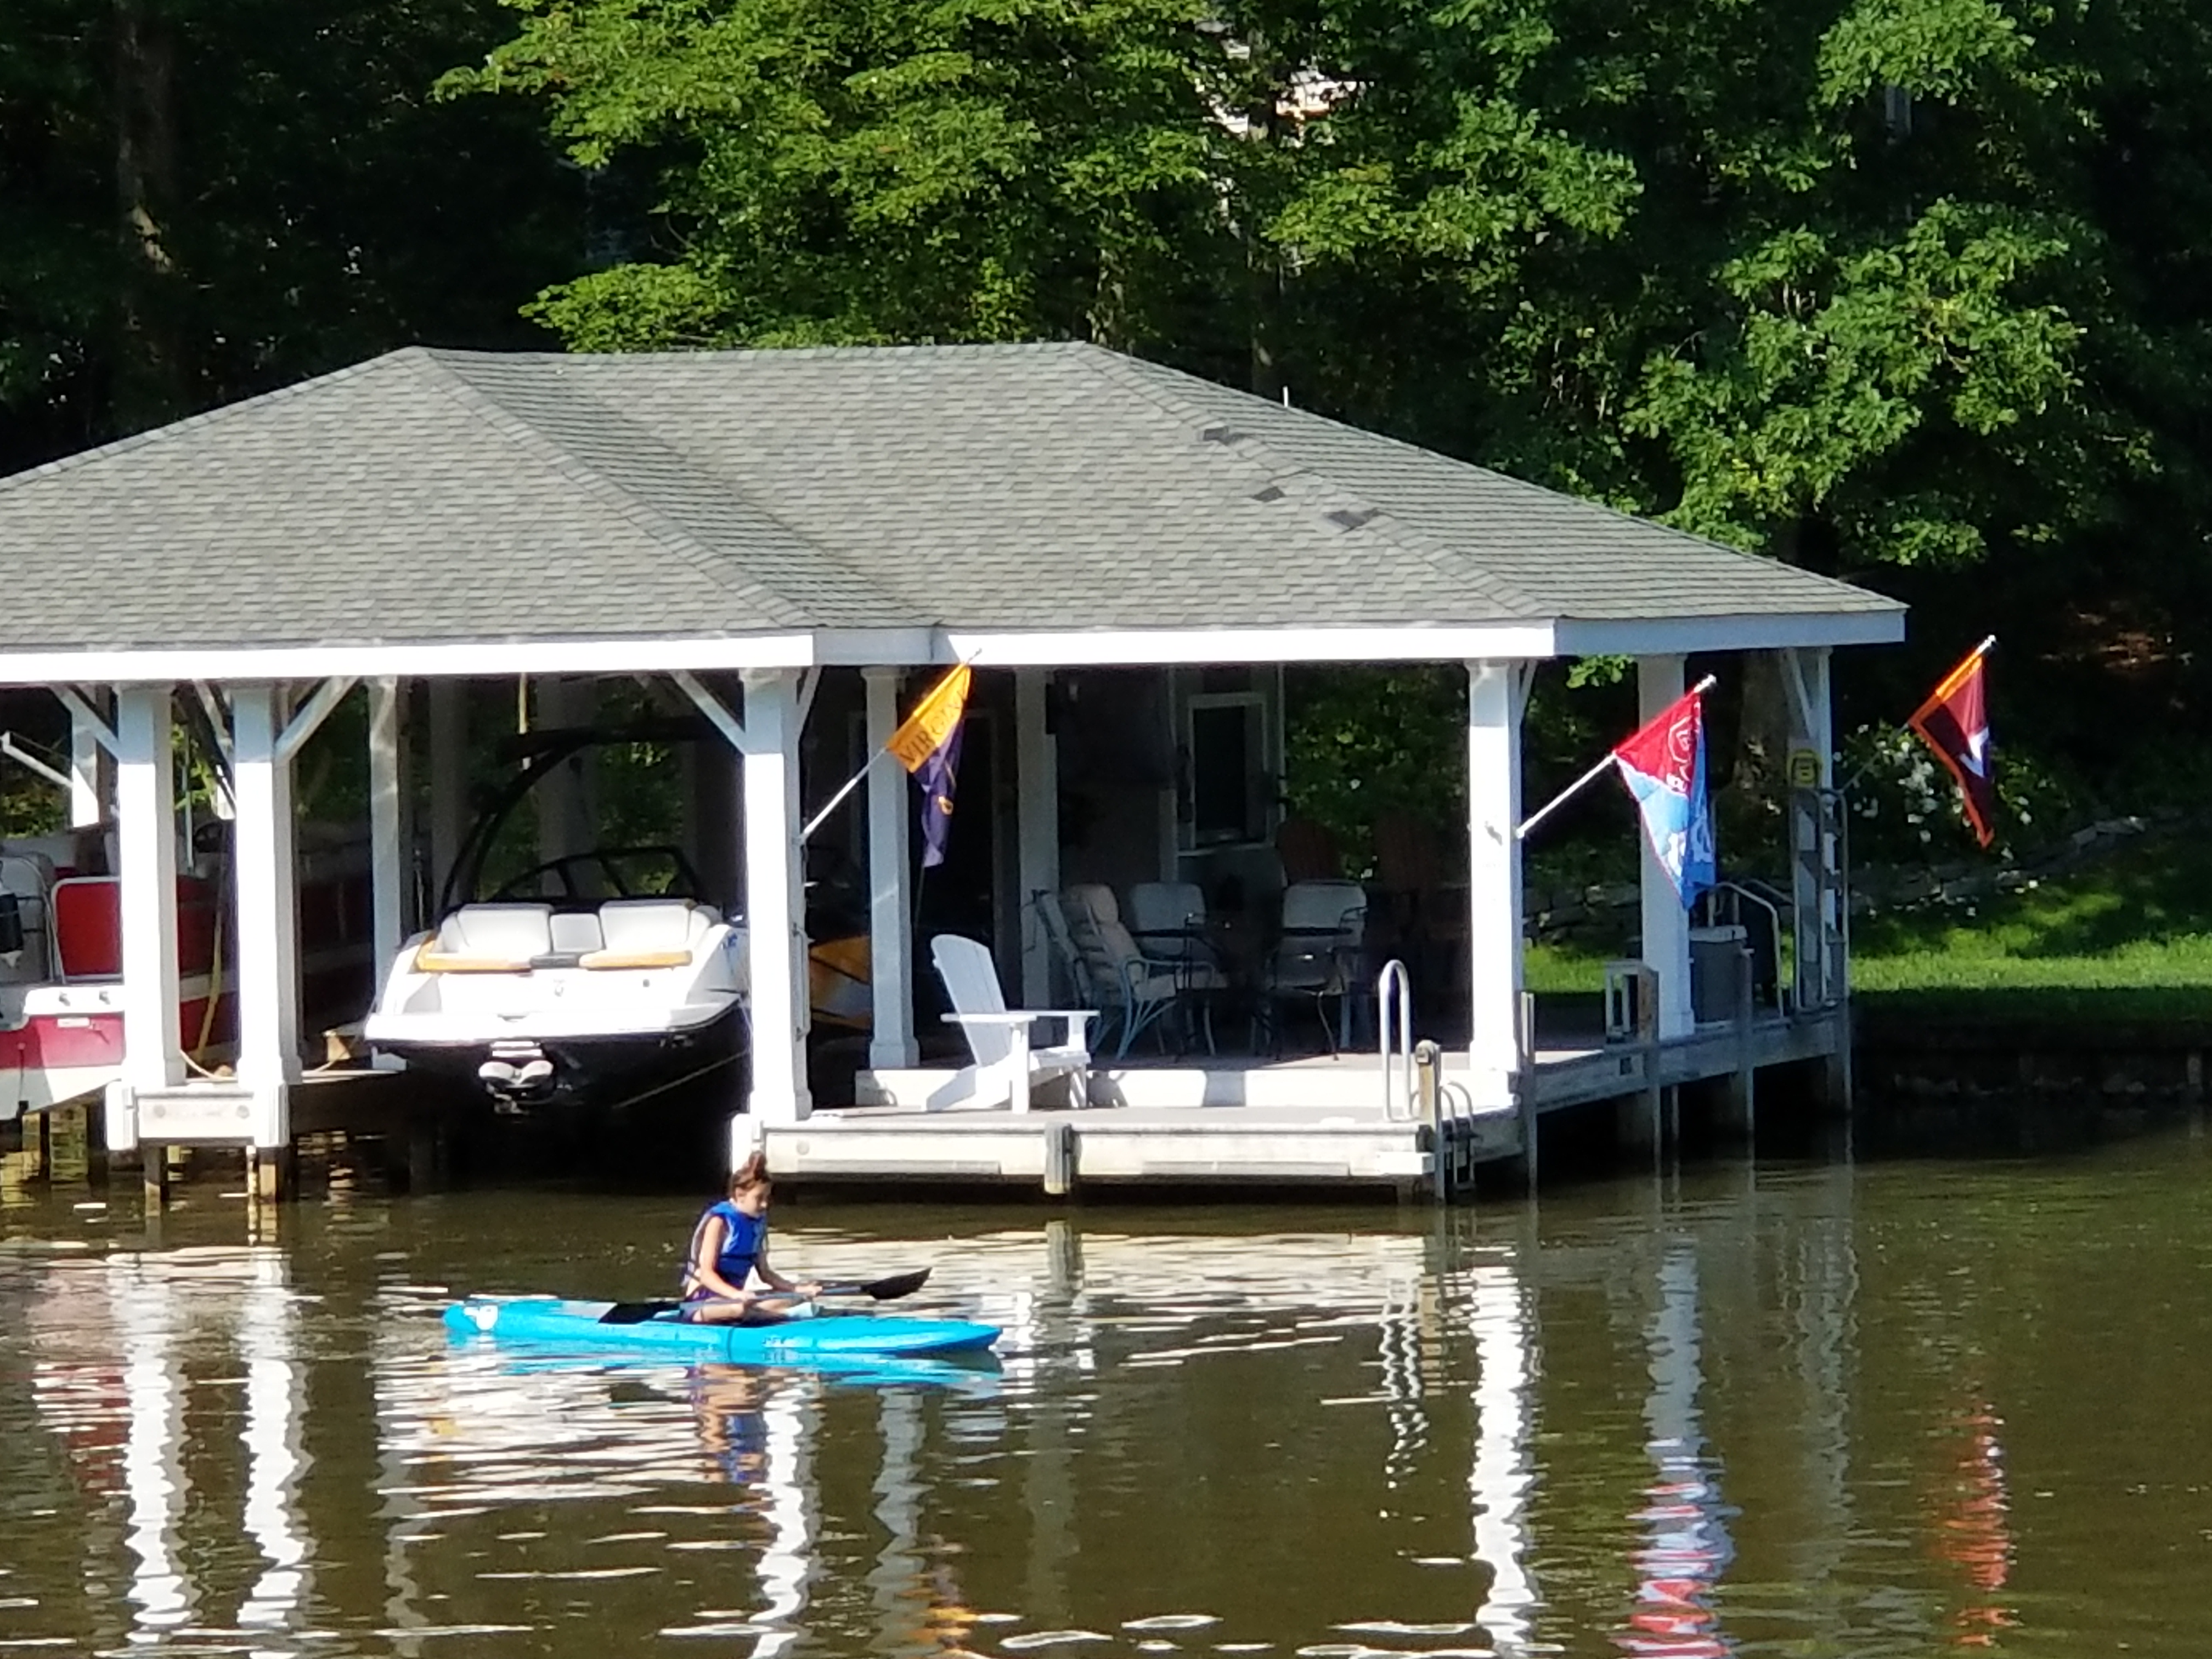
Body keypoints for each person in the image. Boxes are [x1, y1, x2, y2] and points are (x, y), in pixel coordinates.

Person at [679, 1152, 820, 1323]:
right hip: (702, 1301)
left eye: (767, 1198)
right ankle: (786, 1315)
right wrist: (736, 1294)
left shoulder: (756, 1225)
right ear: (740, 1195)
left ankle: (766, 1311)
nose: (765, 1205)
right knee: (738, 1308)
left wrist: (798, 1289)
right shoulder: (719, 1222)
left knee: (795, 1297)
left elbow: (765, 1274)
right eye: (759, 1198)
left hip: (734, 1298)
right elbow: (706, 1275)